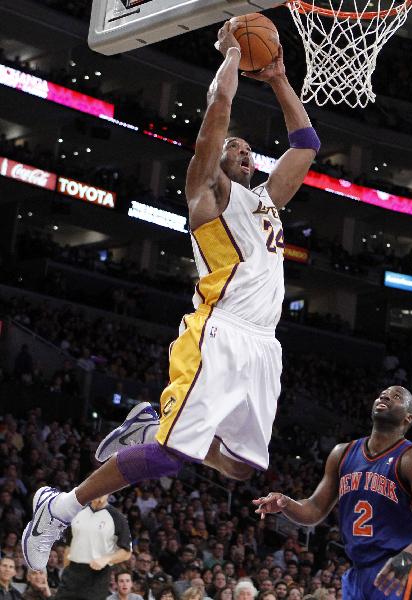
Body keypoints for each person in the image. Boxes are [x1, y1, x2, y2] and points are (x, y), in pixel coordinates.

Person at [22, 18, 319, 572]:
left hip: (264, 346)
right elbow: (217, 114)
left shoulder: (268, 202)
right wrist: (232, 55)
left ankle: (153, 423)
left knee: (239, 468)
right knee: (169, 457)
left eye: (251, 150)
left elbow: (306, 143)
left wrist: (279, 78)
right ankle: (58, 507)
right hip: (220, 330)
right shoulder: (206, 194)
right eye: (236, 147)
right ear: (218, 158)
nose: (244, 151)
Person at [253, 386, 412, 599]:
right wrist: (286, 503)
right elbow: (315, 509)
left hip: (400, 568)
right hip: (358, 571)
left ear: (408, 418)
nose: (385, 396)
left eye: (397, 396)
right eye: (382, 393)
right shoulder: (342, 453)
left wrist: (407, 558)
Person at [53, 495, 132, 600]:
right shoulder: (77, 512)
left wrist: (107, 558)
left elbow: (127, 552)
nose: (100, 493)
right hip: (71, 576)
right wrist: (66, 569)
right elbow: (69, 545)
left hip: (97, 578)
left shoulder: (118, 517)